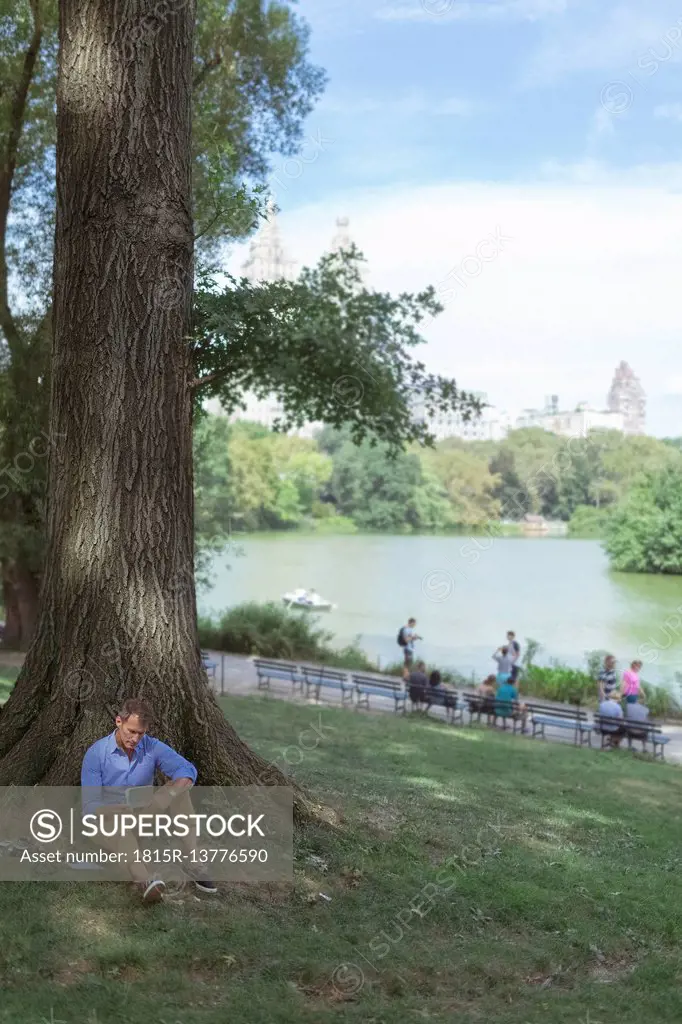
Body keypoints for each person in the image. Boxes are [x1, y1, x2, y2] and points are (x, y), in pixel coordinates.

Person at [80, 698, 218, 904]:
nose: (135, 739)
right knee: (118, 827)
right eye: (131, 731)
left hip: (143, 815)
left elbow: (187, 770)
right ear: (118, 721)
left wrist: (165, 797)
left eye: (140, 733)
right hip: (109, 820)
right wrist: (112, 810)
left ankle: (194, 862)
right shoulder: (97, 753)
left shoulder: (151, 747)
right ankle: (144, 881)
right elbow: (89, 807)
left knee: (179, 790)